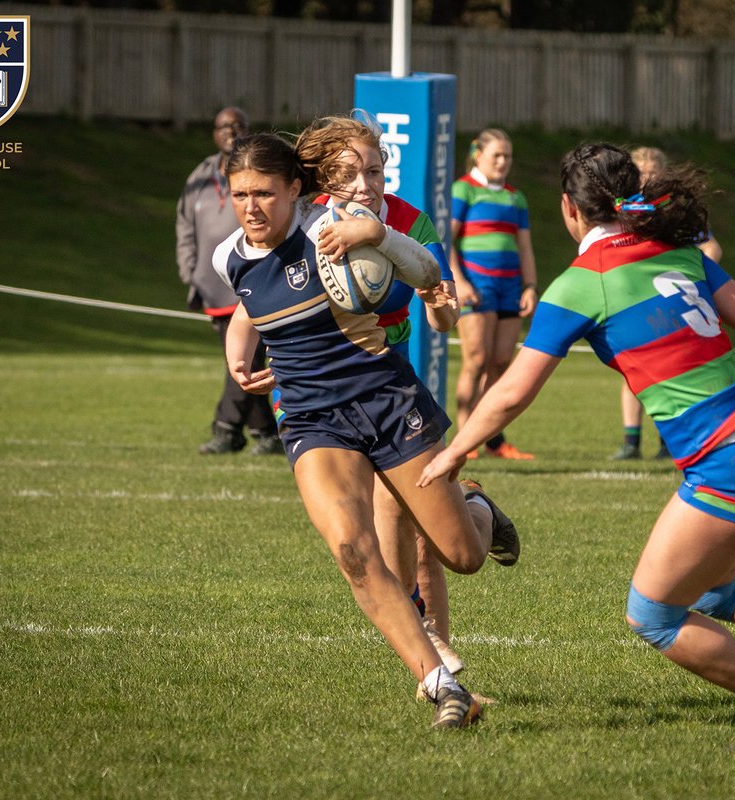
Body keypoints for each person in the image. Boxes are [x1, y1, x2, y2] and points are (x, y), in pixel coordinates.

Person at [419, 143, 735, 751]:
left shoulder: (581, 282)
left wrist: (454, 452)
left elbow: (512, 390)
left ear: (568, 210)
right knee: (712, 592)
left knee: (651, 615)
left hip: (726, 454)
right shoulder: (677, 249)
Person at [213, 132, 520, 729]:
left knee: (462, 554)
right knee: (354, 549)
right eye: (240, 194)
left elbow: (428, 269)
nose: (251, 207)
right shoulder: (230, 254)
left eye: (265, 194)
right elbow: (254, 301)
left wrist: (377, 234)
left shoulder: (339, 227)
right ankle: (443, 688)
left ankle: (475, 503)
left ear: (297, 191)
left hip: (384, 399)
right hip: (309, 416)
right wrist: (239, 351)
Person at [295, 112, 486, 682]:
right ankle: (436, 658)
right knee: (387, 521)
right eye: (350, 175)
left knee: (427, 534)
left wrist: (437, 300)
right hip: (332, 386)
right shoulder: (307, 221)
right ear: (327, 178)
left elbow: (445, 316)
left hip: (391, 375)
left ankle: (471, 509)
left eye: (374, 171)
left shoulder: (407, 220)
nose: (365, 185)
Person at [176, 107, 282, 456]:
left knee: (245, 360)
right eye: (224, 126)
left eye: (239, 125)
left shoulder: (258, 169)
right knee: (243, 361)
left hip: (252, 278)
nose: (231, 131)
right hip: (212, 283)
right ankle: (265, 433)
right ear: (214, 133)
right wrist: (190, 272)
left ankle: (227, 429)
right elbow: (185, 228)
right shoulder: (200, 177)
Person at [611, 146, 724, 461]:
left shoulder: (674, 211)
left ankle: (667, 441)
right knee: (631, 369)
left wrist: (686, 276)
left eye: (653, 174)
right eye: (640, 173)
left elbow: (712, 248)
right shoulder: (623, 212)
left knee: (669, 371)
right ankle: (631, 442)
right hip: (634, 300)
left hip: (668, 303)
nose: (646, 179)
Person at [451, 129, 538, 460]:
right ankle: (464, 438)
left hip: (510, 288)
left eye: (508, 156)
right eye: (496, 156)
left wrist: (530, 286)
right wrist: (459, 281)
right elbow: (446, 240)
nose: (503, 162)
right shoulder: (464, 190)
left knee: (501, 362)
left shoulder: (516, 197)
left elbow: (525, 246)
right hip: (477, 286)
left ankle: (494, 439)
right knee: (476, 359)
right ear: (479, 155)